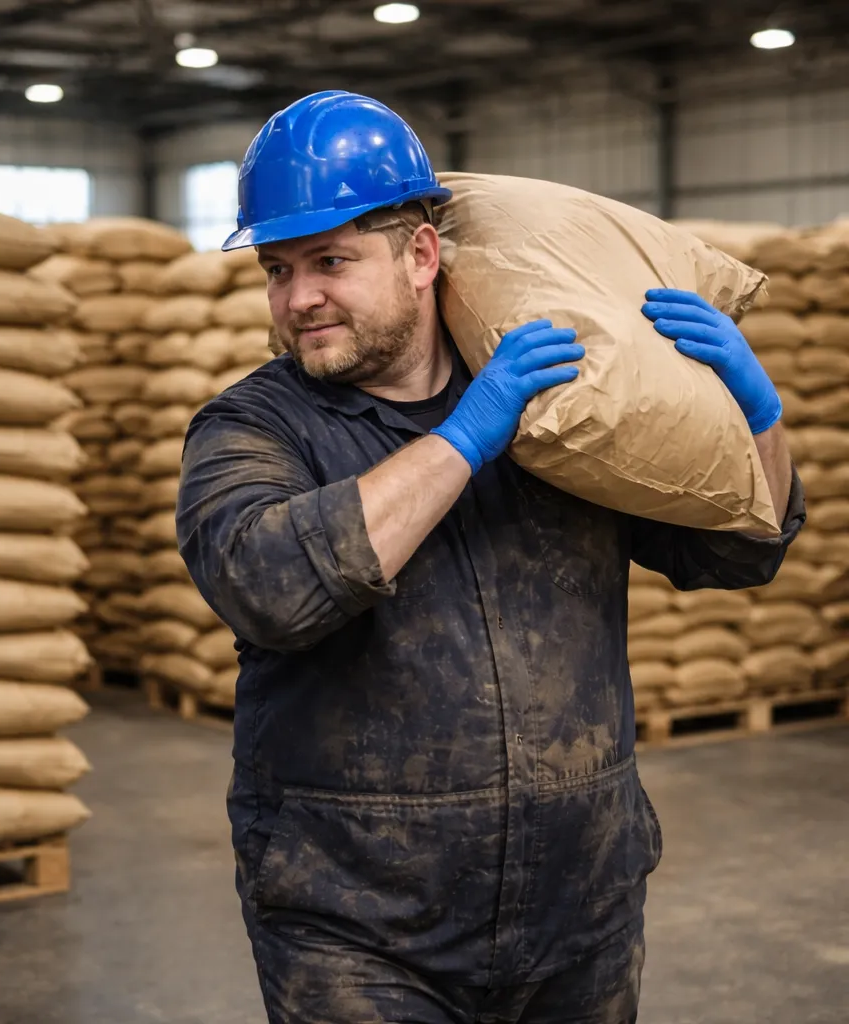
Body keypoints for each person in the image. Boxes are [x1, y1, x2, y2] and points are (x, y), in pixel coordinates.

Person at [175, 90, 804, 1024]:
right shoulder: (253, 427)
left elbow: (740, 552)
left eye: (331, 262)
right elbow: (273, 587)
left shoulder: (565, 419)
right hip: (356, 926)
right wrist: (464, 440)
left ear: (421, 256)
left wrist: (759, 418)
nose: (298, 297)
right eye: (278, 269)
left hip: (578, 908)